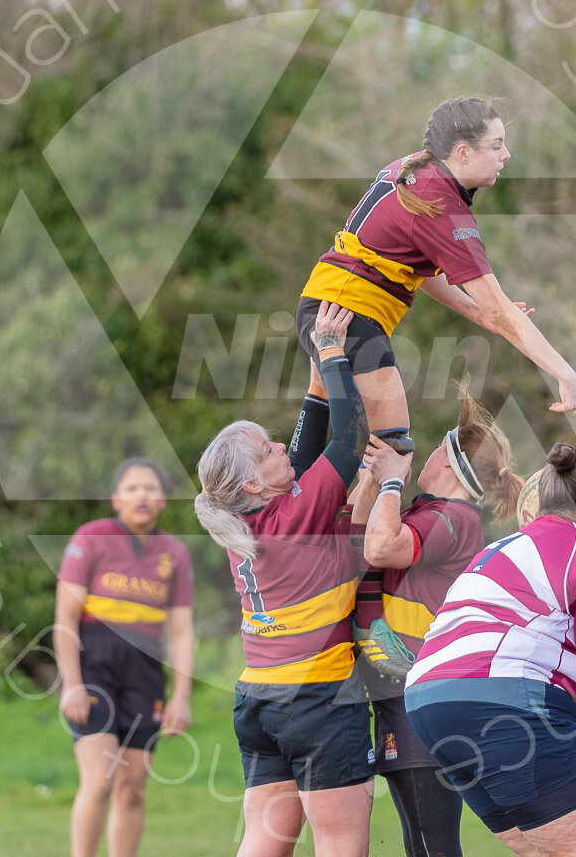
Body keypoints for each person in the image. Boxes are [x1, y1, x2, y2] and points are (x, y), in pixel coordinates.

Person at [297, 95, 576, 453]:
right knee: (389, 452)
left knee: (371, 454)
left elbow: (415, 267)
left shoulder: (418, 168)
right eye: (496, 146)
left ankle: (302, 503)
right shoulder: (441, 205)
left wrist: (478, 312)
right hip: (345, 314)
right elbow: (499, 309)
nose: (506, 155)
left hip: (331, 305)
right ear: (463, 152)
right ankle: (309, 508)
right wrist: (564, 374)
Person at [195, 302, 372, 857]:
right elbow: (351, 439)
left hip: (260, 700)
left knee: (264, 844)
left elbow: (301, 450)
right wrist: (336, 355)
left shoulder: (249, 520)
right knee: (342, 845)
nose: (278, 447)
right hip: (316, 697)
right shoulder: (296, 515)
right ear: (251, 484)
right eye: (264, 450)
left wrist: (318, 382)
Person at [403, 443, 576, 857]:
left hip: (428, 703)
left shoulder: (496, 550)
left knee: (543, 850)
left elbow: (571, 697)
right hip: (500, 699)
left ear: (535, 508)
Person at [353, 389, 523, 857]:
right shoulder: (430, 511)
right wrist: (374, 478)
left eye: (434, 451)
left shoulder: (454, 517)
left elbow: (380, 549)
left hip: (420, 703)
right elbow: (355, 536)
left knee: (432, 846)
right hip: (398, 698)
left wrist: (390, 484)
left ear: (447, 462)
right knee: (422, 844)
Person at [53, 457, 196, 857]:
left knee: (131, 790)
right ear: (116, 499)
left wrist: (181, 696)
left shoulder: (175, 553)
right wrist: (72, 685)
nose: (142, 496)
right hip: (94, 667)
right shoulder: (91, 538)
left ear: (164, 499)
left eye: (151, 488)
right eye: (132, 488)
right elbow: (65, 618)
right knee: (100, 780)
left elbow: (181, 631)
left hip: (146, 674)